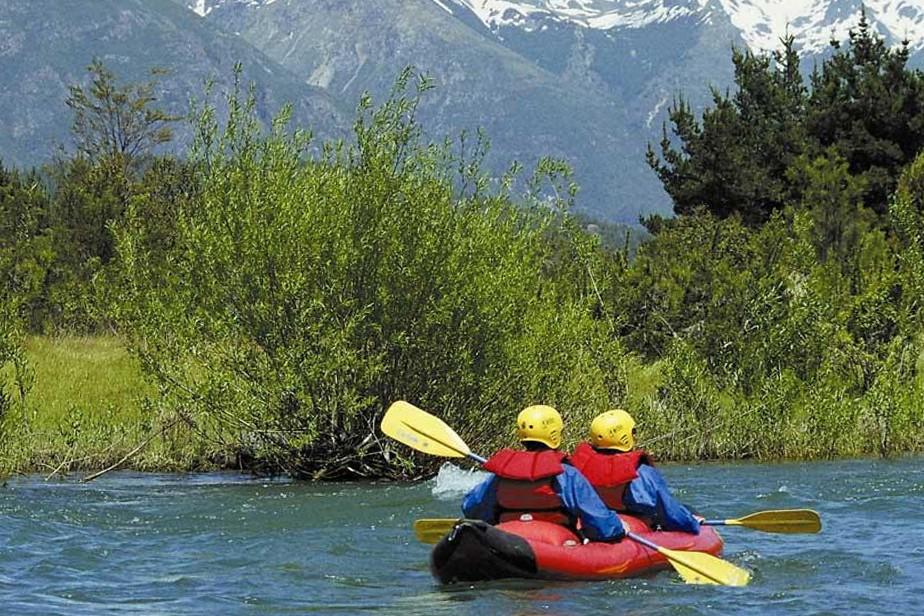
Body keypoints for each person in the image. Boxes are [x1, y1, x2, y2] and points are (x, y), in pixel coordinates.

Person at [461, 405, 626, 542]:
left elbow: (471, 507)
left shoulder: (504, 473)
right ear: (555, 434)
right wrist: (618, 528)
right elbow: (600, 522)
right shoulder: (566, 474)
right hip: (555, 543)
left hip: (505, 538)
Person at [570, 409, 700, 534]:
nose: (635, 434)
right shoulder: (642, 472)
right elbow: (670, 512)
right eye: (633, 431)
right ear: (624, 437)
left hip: (595, 522)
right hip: (636, 525)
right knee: (688, 510)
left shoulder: (578, 467)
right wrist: (692, 523)